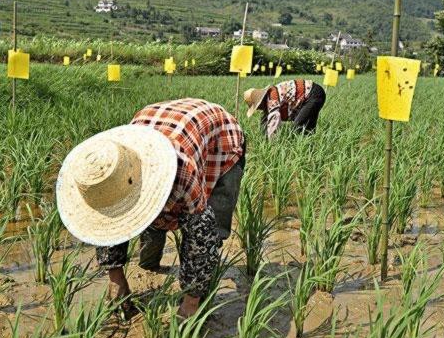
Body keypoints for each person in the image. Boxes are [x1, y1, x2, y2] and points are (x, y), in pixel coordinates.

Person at [56, 99, 245, 318]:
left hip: (222, 139)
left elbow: (202, 237)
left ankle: (200, 294)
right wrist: (115, 278)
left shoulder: (181, 171)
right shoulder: (108, 165)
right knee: (147, 219)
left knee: (211, 227)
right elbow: (110, 222)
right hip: (166, 123)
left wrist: (190, 304)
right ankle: (150, 264)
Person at [244, 79, 326, 138]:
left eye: (257, 106)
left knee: (299, 126)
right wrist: (263, 136)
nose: (258, 109)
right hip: (310, 95)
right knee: (306, 127)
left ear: (260, 102)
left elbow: (274, 119)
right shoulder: (270, 97)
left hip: (313, 94)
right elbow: (265, 120)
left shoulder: (272, 98)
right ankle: (311, 145)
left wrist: (271, 143)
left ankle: (308, 147)